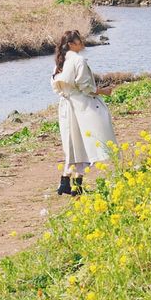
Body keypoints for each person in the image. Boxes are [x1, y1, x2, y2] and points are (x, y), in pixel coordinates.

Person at [51, 30, 116, 196]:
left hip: (65, 106)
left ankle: (68, 183)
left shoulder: (60, 62)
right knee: (87, 142)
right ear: (72, 44)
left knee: (72, 145)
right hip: (81, 105)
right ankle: (74, 185)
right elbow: (84, 86)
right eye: (80, 42)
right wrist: (102, 91)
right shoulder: (78, 60)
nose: (83, 44)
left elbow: (56, 86)